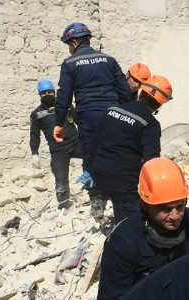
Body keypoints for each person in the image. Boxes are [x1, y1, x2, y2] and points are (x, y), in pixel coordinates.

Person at [96, 157, 189, 300]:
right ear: (146, 205)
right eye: (166, 209)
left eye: (180, 206)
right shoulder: (123, 243)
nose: (175, 216)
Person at [53, 22, 131, 221]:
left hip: (88, 118)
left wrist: (59, 123)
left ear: (76, 41)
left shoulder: (70, 64)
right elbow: (124, 91)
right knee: (116, 154)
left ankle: (97, 202)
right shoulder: (109, 60)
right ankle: (121, 198)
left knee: (90, 158)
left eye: (69, 44)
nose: (70, 49)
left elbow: (63, 97)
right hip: (113, 116)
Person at [87, 75, 170, 225]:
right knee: (129, 224)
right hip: (123, 181)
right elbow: (151, 162)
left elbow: (93, 144)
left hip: (98, 173)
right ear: (159, 104)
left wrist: (89, 169)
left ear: (141, 92)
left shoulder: (112, 110)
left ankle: (100, 202)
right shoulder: (150, 123)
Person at [30, 79, 82, 214]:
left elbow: (79, 120)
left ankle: (99, 194)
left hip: (75, 143)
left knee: (95, 160)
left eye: (50, 92)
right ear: (39, 95)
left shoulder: (65, 105)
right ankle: (64, 206)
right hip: (58, 150)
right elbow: (34, 135)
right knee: (61, 178)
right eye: (44, 93)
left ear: (54, 92)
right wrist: (34, 153)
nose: (47, 95)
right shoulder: (37, 114)